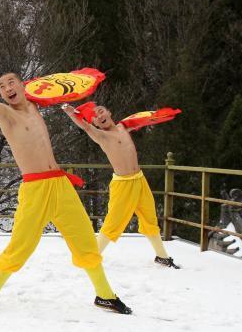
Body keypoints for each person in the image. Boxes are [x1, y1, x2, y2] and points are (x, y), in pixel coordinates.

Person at [0, 63, 131, 315]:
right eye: (1, 86)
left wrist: (77, 98)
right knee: (20, 246)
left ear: (23, 86)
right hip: (35, 189)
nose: (7, 88)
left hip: (60, 185)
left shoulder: (34, 106)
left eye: (11, 82)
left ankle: (105, 295)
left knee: (85, 239)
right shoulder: (6, 115)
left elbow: (55, 89)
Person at [61, 103, 179, 268]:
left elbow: (141, 120)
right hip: (123, 184)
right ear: (95, 123)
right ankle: (90, 258)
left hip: (140, 180)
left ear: (109, 112)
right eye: (95, 117)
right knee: (113, 223)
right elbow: (86, 127)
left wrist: (160, 115)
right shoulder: (101, 136)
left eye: (101, 111)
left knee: (150, 219)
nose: (99, 116)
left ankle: (162, 256)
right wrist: (71, 113)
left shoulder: (123, 127)